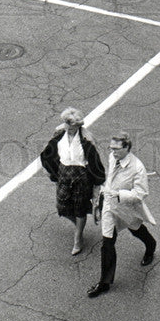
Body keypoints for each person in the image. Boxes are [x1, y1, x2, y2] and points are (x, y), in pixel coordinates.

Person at [87, 131, 157, 297]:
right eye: (111, 148)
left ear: (127, 148)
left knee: (135, 229)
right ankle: (105, 282)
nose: (113, 152)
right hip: (110, 207)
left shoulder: (137, 167)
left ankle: (151, 245)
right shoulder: (113, 158)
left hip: (125, 207)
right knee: (107, 242)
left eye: (117, 149)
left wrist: (119, 194)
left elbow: (141, 194)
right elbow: (110, 178)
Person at [40, 108, 105, 256]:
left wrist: (97, 185)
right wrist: (52, 171)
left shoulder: (86, 138)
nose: (68, 128)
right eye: (66, 124)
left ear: (78, 126)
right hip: (63, 172)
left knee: (80, 208)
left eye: (72, 126)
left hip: (81, 176)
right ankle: (78, 226)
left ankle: (78, 238)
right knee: (61, 206)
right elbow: (49, 152)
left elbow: (95, 162)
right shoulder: (59, 132)